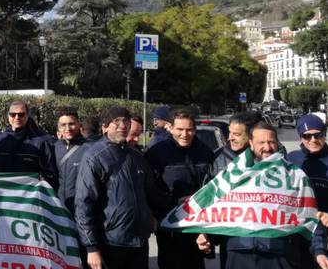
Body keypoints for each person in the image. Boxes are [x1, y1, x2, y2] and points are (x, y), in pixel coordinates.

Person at [197, 122, 328, 269]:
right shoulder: (233, 176)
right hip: (238, 254)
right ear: (251, 144)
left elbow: (310, 217)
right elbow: (216, 212)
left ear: (277, 143)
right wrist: (206, 234)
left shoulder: (295, 176)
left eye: (271, 142)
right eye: (261, 142)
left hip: (280, 255)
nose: (267, 147)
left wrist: (319, 251)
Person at [75, 107, 166, 269]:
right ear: (106, 126)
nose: (122, 125)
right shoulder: (94, 157)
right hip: (110, 243)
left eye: (126, 121)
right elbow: (83, 205)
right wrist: (92, 248)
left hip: (140, 242)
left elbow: (152, 195)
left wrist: (182, 203)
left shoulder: (137, 156)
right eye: (116, 122)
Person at [145, 109, 214, 269]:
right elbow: (148, 188)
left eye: (189, 129)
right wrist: (163, 208)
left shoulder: (205, 152)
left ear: (195, 129)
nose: (185, 134)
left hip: (198, 224)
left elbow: (213, 186)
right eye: (180, 129)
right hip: (169, 225)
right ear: (170, 128)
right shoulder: (157, 152)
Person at [202, 111, 261, 268]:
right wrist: (206, 234)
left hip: (266, 239)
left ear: (252, 135)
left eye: (236, 134)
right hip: (231, 241)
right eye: (229, 133)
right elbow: (207, 198)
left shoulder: (272, 156)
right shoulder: (218, 158)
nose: (229, 138)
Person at [0, 100, 57, 188]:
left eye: (21, 114)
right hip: (2, 194)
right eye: (13, 114)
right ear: (8, 116)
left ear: (27, 116)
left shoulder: (40, 143)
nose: (17, 117)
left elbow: (50, 173)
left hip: (29, 197)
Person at [286, 115, 328, 235]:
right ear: (300, 137)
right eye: (307, 136)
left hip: (326, 226)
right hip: (297, 227)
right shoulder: (291, 158)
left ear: (324, 134)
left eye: (318, 135)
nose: (313, 140)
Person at [54, 107, 87, 213]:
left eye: (71, 123)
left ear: (79, 124)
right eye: (63, 125)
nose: (68, 128)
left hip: (82, 210)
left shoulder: (90, 149)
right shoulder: (53, 148)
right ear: (58, 128)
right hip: (59, 209)